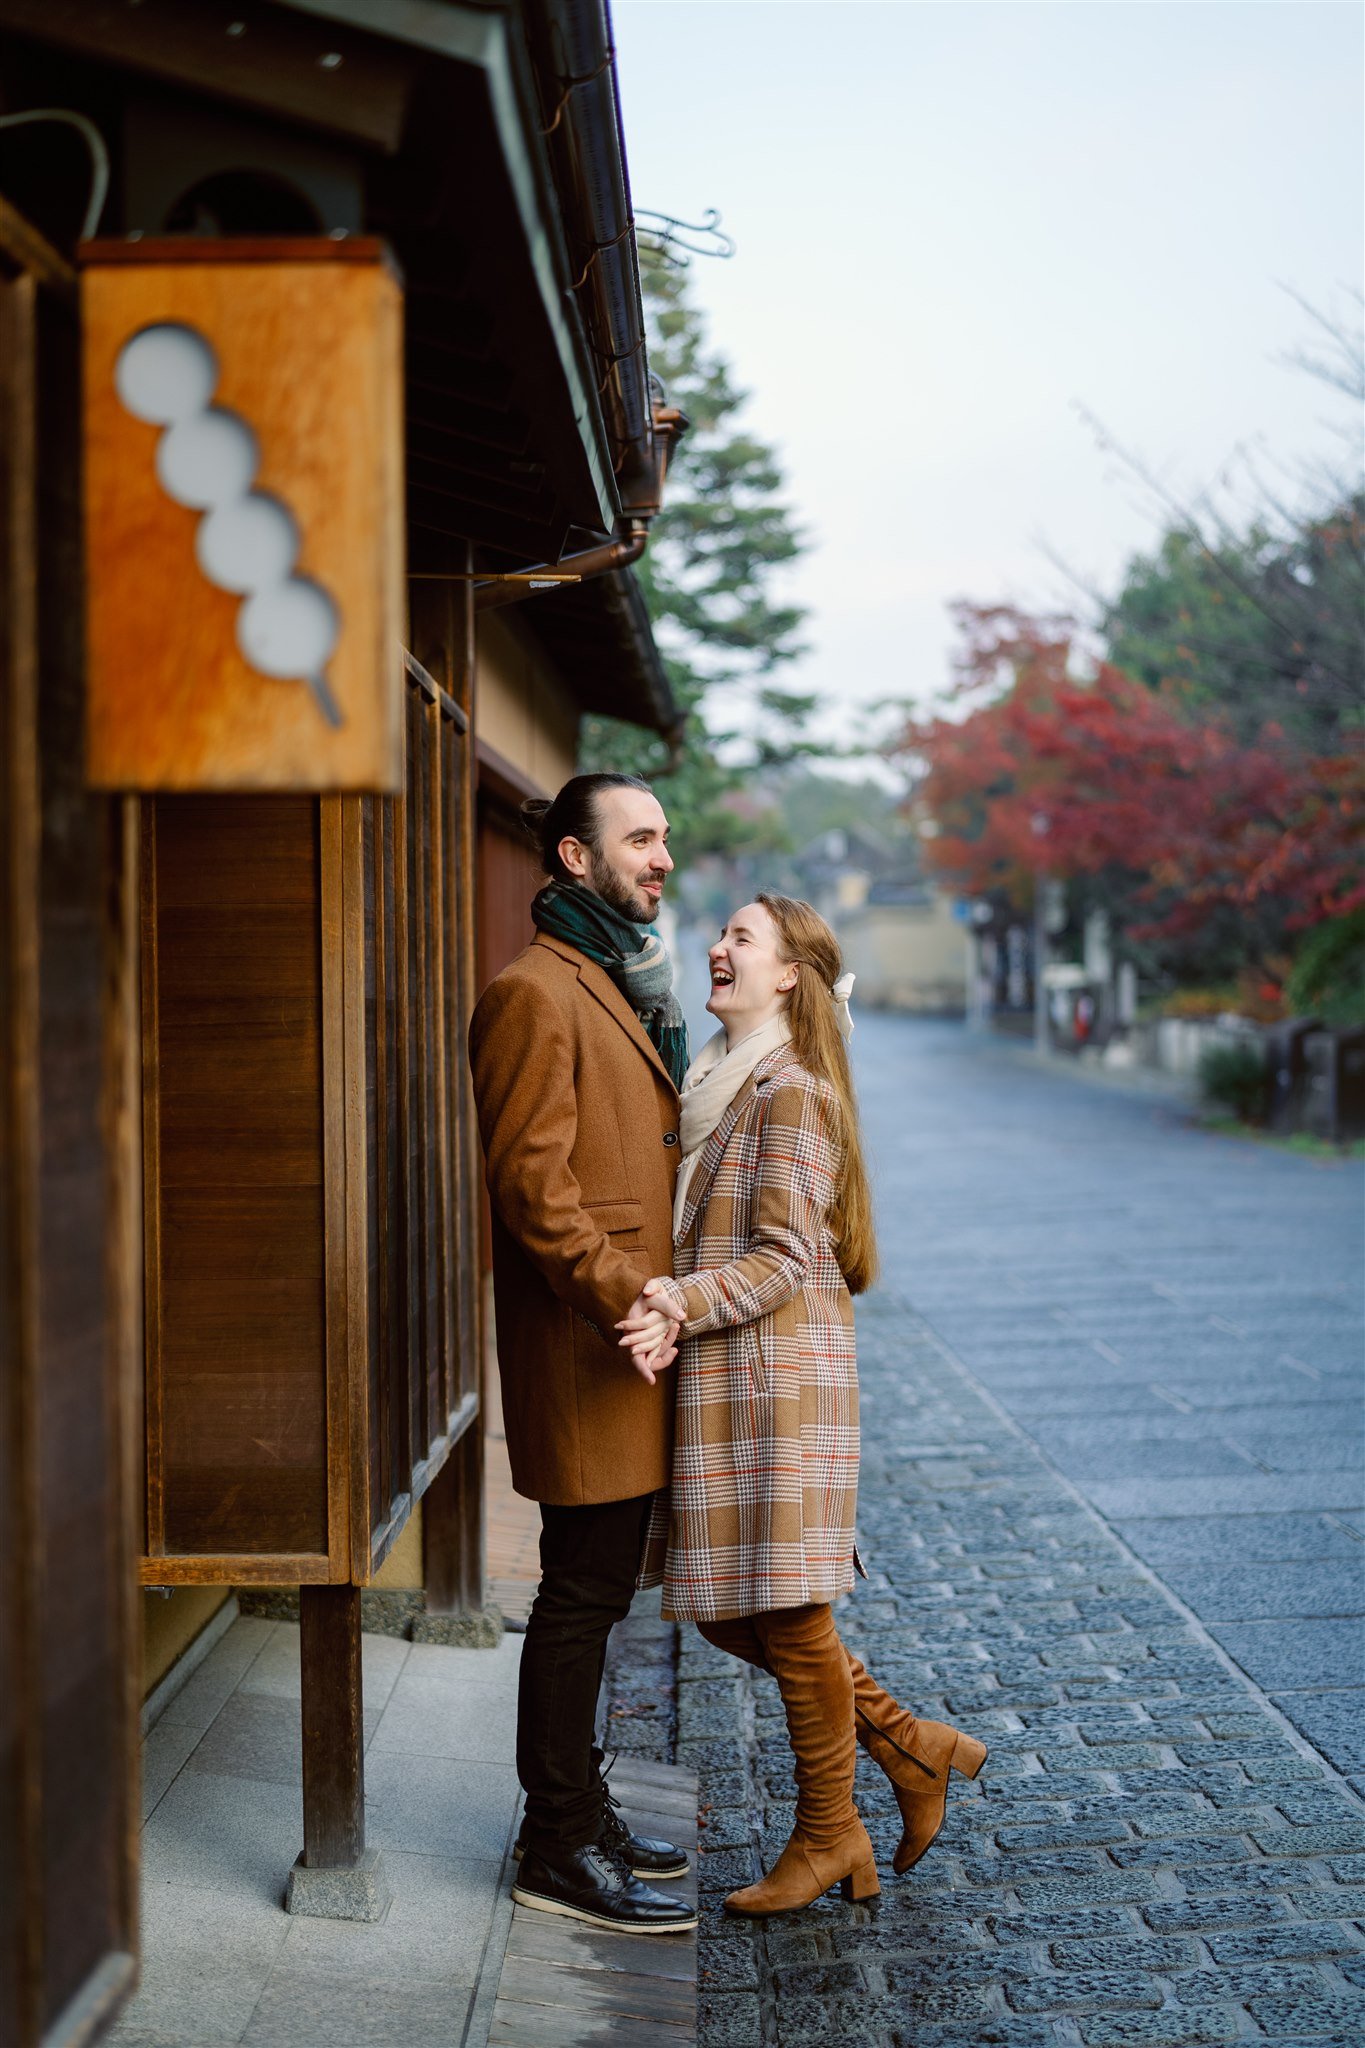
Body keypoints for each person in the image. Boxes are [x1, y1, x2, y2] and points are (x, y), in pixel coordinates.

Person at [618, 895, 988, 1915]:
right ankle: (911, 1750)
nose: (718, 947)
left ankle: (832, 1830)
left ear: (790, 974)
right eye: (723, 932)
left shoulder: (791, 1092)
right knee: (745, 1613)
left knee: (781, 1611)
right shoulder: (718, 1081)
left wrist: (677, 1301)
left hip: (775, 1385)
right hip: (736, 1383)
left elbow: (783, 1256)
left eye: (742, 936)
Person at [468, 772, 697, 1936]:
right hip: (589, 1341)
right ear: (573, 857)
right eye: (641, 837)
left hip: (632, 1346)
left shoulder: (616, 977)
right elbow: (531, 1187)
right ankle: (555, 1840)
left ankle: (581, 1807)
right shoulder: (532, 993)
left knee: (601, 1596)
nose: (663, 856)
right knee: (578, 1597)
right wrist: (636, 1289)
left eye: (664, 837)